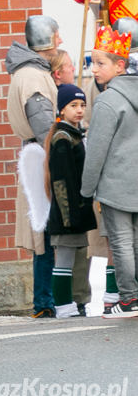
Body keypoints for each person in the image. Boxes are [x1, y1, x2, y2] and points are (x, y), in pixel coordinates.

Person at [81, 20, 138, 318]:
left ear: (120, 66)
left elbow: (96, 152)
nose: (94, 69)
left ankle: (129, 299)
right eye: (92, 62)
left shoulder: (107, 101)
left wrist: (86, 189)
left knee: (122, 242)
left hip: (116, 184)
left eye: (100, 63)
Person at [6, 15, 61, 318]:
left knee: (46, 233)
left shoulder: (31, 73)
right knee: (46, 235)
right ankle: (46, 300)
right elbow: (43, 126)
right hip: (43, 155)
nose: (60, 41)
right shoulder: (32, 76)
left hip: (37, 153)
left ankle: (47, 300)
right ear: (47, 38)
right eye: (57, 35)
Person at [46, 49, 93, 316]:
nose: (79, 110)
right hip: (67, 212)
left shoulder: (75, 135)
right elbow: (62, 181)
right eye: (73, 105)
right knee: (63, 259)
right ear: (62, 108)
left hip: (78, 208)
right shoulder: (62, 138)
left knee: (78, 259)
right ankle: (63, 304)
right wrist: (68, 214)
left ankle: (76, 301)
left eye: (82, 105)